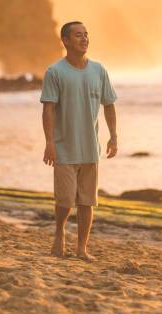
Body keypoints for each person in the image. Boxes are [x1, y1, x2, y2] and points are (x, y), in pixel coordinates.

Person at [40, 21, 118, 261]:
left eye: (86, 35)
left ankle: (82, 248)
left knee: (87, 202)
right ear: (65, 41)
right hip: (64, 148)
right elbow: (48, 110)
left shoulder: (99, 70)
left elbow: (109, 105)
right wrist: (50, 143)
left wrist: (113, 136)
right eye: (78, 35)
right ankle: (59, 233)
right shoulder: (55, 72)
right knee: (64, 200)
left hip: (91, 149)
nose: (84, 39)